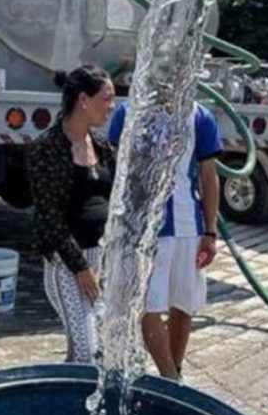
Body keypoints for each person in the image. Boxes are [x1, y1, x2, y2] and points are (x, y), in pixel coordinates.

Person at [109, 100, 222, 379]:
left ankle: (175, 371)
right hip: (145, 229)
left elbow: (209, 176)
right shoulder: (130, 110)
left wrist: (210, 230)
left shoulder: (199, 116)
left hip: (188, 227)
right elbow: (117, 170)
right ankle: (171, 378)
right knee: (149, 306)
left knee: (184, 304)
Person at [27, 66, 116, 362]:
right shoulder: (47, 148)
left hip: (99, 260)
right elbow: (48, 216)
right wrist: (80, 267)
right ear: (83, 100)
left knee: (93, 350)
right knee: (86, 352)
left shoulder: (101, 147)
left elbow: (117, 198)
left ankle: (67, 400)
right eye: (107, 98)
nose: (112, 106)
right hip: (67, 265)